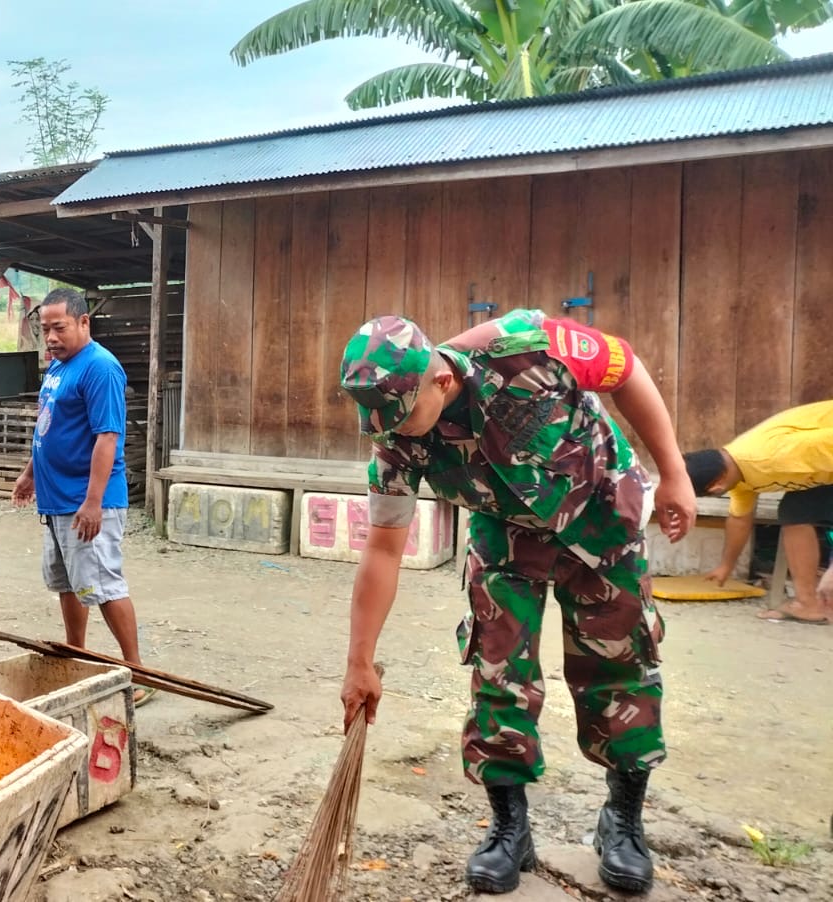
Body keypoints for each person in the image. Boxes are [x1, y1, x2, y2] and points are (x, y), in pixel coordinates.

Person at [336, 311, 696, 896]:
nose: (391, 433)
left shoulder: (527, 346)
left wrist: (674, 472)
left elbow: (627, 368)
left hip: (601, 509)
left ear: (441, 380)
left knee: (620, 665)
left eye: (400, 416)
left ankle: (623, 822)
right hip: (505, 530)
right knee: (498, 670)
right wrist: (359, 661)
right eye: (378, 421)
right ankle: (510, 827)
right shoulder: (393, 443)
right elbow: (381, 551)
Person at [12, 288, 152, 706]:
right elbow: (49, 426)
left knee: (103, 585)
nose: (51, 337)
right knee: (69, 583)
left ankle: (139, 674)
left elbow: (107, 437)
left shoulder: (100, 368)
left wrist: (93, 502)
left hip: (87, 501)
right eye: (45, 329)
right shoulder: (58, 367)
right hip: (57, 499)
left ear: (84, 322)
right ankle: (77, 655)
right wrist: (30, 474)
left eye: (59, 328)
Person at [686, 400, 833, 625]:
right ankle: (808, 604)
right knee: (796, 510)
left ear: (716, 488)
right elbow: (739, 518)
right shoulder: (736, 472)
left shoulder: (775, 456)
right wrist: (726, 566)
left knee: (795, 508)